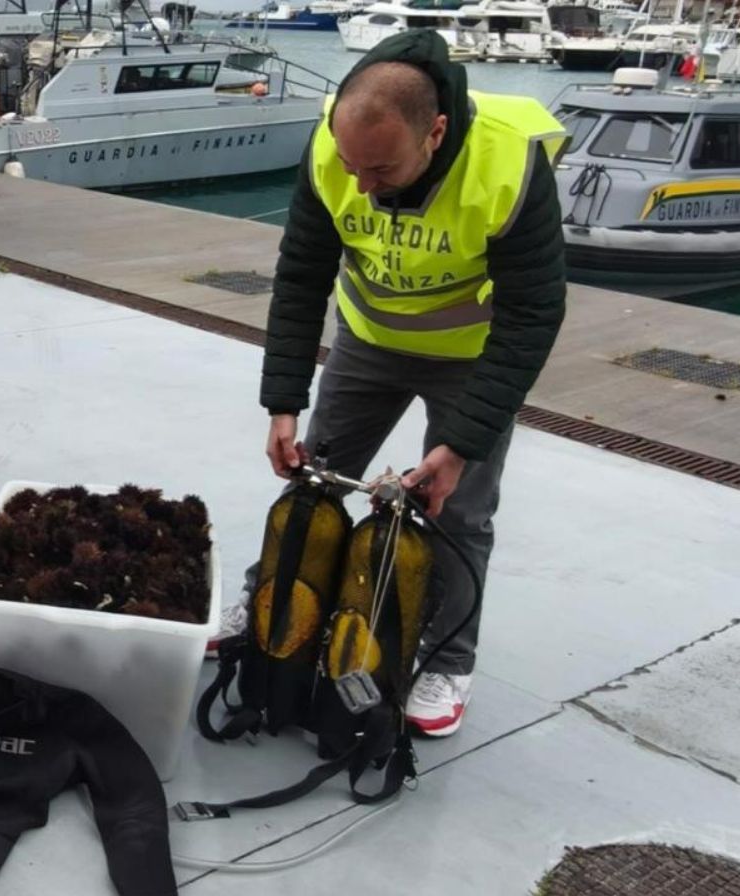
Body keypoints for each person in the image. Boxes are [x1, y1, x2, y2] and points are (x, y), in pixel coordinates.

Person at [226, 30, 568, 737]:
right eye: (353, 165)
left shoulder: (506, 164)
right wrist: (283, 402)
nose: (361, 185)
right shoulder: (333, 148)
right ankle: (271, 598)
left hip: (468, 356)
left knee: (460, 513)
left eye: (381, 169)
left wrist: (463, 441)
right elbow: (300, 278)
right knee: (314, 480)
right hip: (369, 340)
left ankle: (448, 658)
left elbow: (535, 312)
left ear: (436, 132)